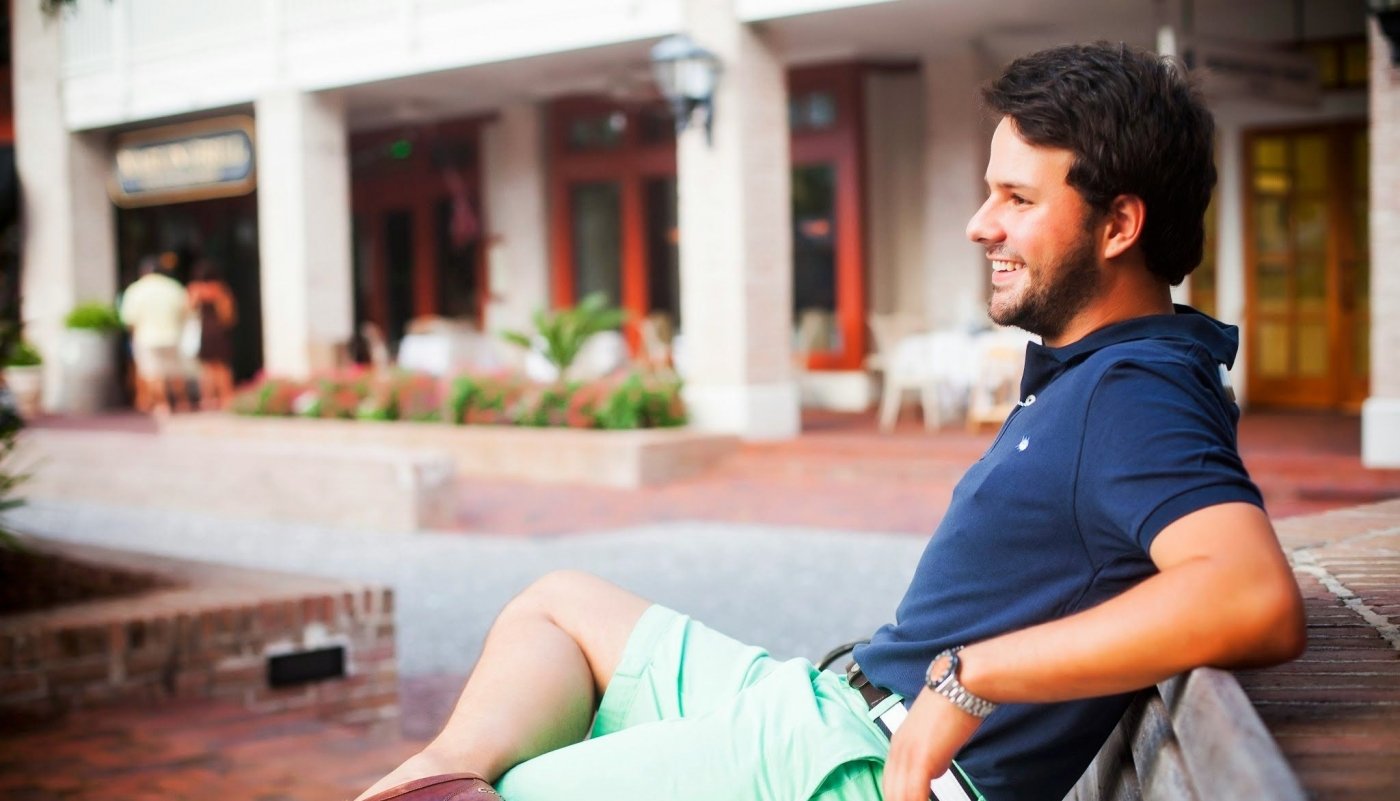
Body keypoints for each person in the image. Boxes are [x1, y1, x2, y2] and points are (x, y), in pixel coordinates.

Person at [355, 42, 1306, 801]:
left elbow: (1253, 595)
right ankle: (431, 780)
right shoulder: (1102, 369)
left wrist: (966, 675)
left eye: (1017, 198)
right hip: (825, 701)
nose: (981, 224)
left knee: (528, 788)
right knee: (554, 601)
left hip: (856, 758)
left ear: (1118, 225)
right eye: (990, 190)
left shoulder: (1133, 389)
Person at [119, 254, 191, 415]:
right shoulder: (174, 287)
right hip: (173, 334)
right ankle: (182, 403)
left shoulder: (136, 289)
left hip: (147, 337)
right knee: (176, 372)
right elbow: (186, 311)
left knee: (153, 373)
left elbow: (129, 319)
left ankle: (162, 404)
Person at [186, 259, 237, 409]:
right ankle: (226, 397)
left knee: (206, 369)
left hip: (204, 331)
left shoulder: (195, 289)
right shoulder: (220, 290)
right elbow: (228, 315)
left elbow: (188, 309)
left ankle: (208, 399)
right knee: (222, 368)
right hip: (219, 332)